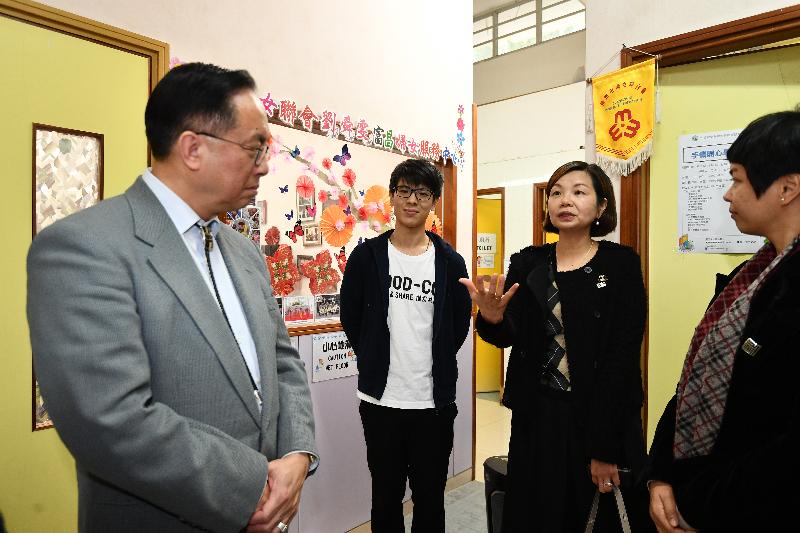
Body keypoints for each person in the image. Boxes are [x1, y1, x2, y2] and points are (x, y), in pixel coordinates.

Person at [27, 63, 318, 533]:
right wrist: (255, 487)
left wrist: (299, 454)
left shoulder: (244, 251)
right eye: (255, 147)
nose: (265, 164)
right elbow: (112, 420)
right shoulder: (85, 248)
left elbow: (284, 362)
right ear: (193, 148)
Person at [462, 161, 652, 532]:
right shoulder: (528, 262)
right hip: (537, 418)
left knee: (593, 517)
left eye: (579, 191)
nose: (565, 199)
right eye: (557, 192)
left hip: (598, 417)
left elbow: (622, 358)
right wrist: (492, 317)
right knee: (536, 514)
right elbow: (509, 335)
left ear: (600, 207)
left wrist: (604, 447)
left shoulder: (620, 264)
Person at [646, 110, 800, 533]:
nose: (727, 195)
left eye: (737, 179)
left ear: (786, 188)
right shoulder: (752, 274)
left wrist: (696, 505)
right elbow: (692, 382)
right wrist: (662, 473)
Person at [340, 159, 471, 532]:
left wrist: (441, 358)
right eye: (404, 191)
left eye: (422, 193)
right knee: (385, 498)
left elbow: (458, 323)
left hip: (434, 403)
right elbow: (351, 316)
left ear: (433, 202)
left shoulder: (450, 262)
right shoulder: (367, 257)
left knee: (430, 499)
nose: (412, 200)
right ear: (393, 198)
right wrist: (369, 357)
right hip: (381, 402)